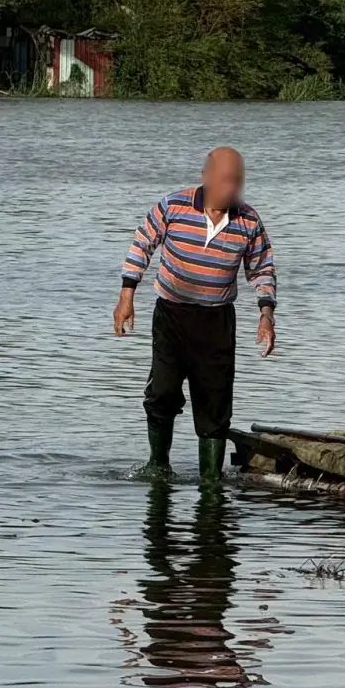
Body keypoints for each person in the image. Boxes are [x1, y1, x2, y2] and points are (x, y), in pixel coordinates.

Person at [113, 147, 277, 481]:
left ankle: (211, 480)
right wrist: (127, 294)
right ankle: (158, 463)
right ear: (206, 176)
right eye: (226, 180)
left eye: (238, 182)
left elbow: (262, 271)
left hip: (216, 321)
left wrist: (266, 315)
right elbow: (142, 244)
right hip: (172, 315)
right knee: (162, 392)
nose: (232, 188)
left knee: (214, 404)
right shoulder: (173, 206)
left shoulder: (248, 220)